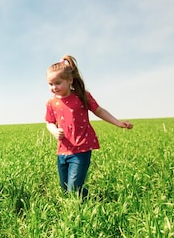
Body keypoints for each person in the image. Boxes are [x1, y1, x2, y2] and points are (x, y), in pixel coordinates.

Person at [45, 55, 133, 199]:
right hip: (62, 151)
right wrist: (54, 130)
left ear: (69, 80)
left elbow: (99, 110)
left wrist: (118, 123)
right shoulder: (51, 103)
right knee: (66, 188)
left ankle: (86, 204)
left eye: (58, 83)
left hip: (81, 149)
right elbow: (49, 122)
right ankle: (90, 199)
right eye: (50, 84)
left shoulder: (81, 96)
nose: (54, 87)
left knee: (73, 188)